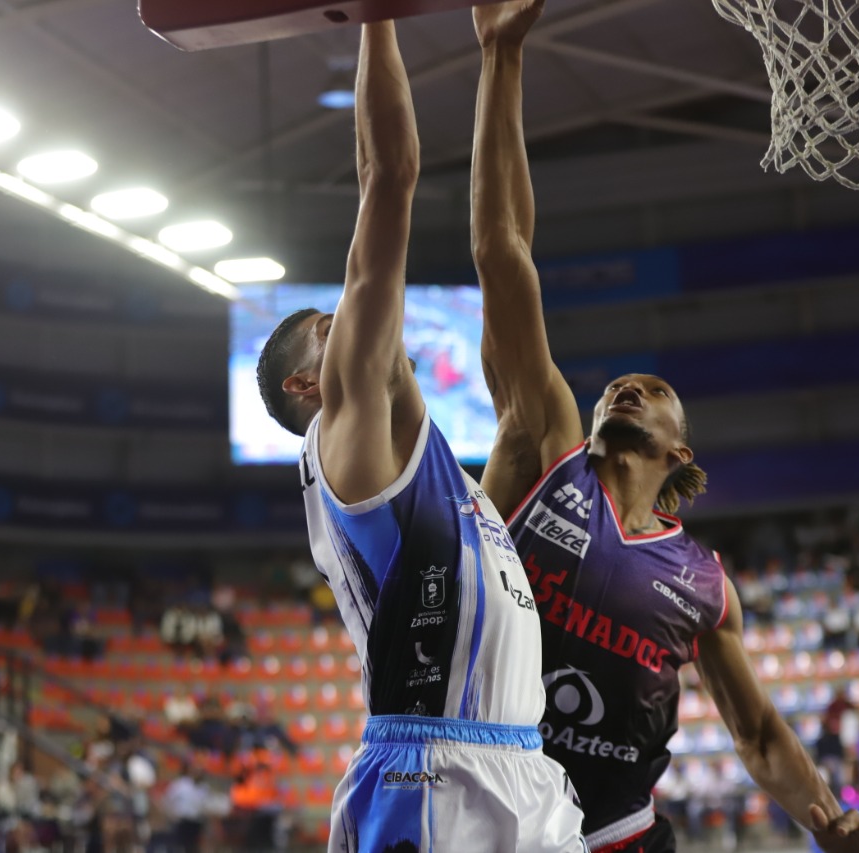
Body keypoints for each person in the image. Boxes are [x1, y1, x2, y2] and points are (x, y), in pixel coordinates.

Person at [468, 3, 859, 851]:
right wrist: (502, 52)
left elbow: (759, 734)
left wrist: (832, 820)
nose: (626, 384)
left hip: (623, 836)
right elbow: (501, 246)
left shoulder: (704, 581)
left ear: (679, 451)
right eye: (618, 386)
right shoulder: (548, 452)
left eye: (652, 388)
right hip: (500, 818)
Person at [254, 19, 585, 853]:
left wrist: (499, 56)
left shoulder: (448, 484)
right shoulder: (348, 434)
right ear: (306, 385)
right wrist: (377, 15)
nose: (359, 320)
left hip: (526, 771)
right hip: (432, 776)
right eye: (332, 324)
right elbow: (389, 176)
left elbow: (507, 254)